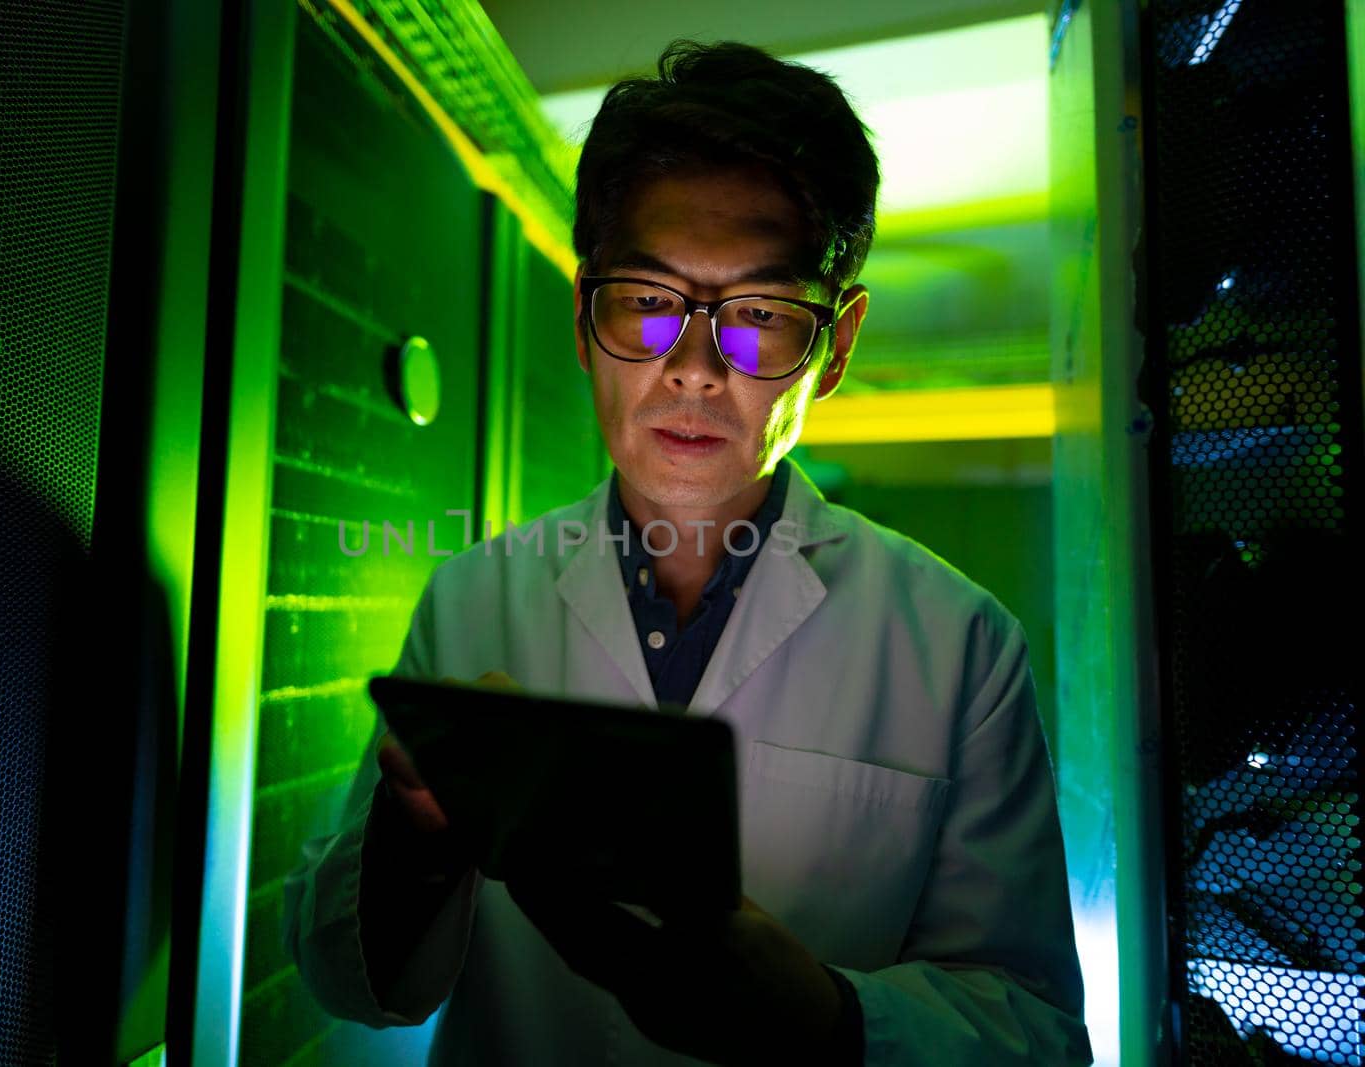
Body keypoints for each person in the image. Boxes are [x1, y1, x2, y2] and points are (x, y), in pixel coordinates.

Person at [286, 40, 1092, 1066]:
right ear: (585, 317)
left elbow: (1038, 1032)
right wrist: (413, 851)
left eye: (758, 316)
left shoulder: (961, 643)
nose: (696, 369)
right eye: (649, 300)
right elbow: (353, 983)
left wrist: (828, 1018)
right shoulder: (471, 599)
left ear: (835, 346)